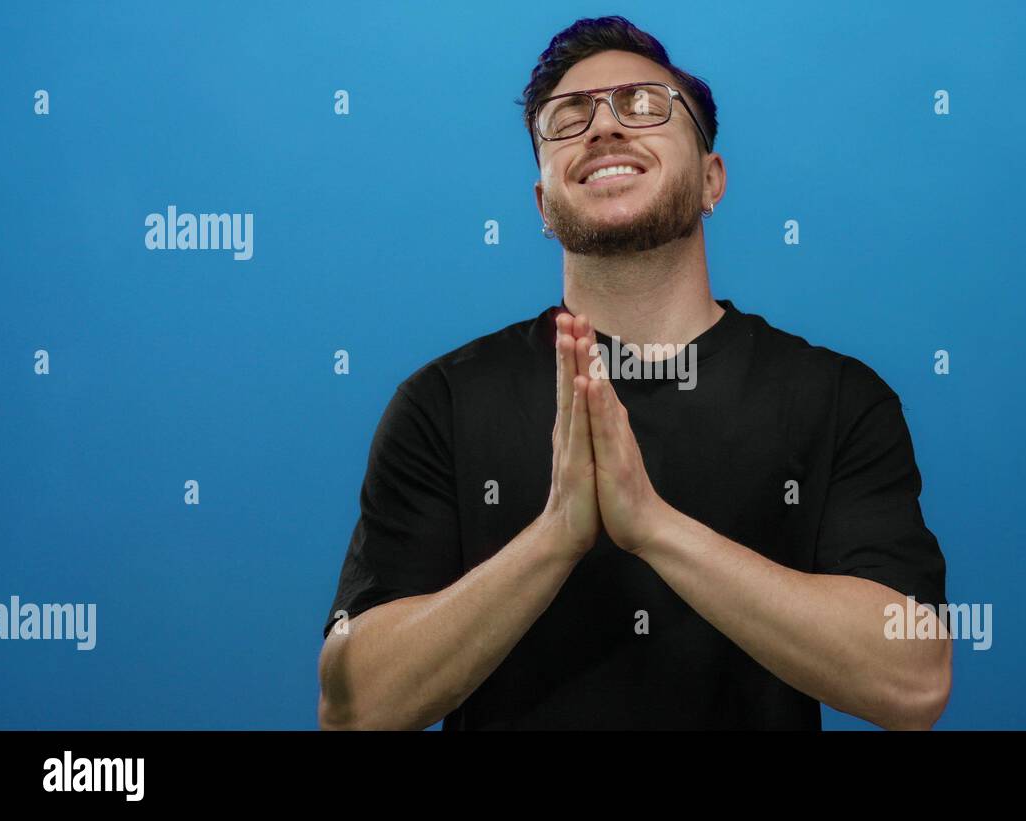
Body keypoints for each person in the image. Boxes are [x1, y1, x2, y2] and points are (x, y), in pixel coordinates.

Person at [317, 15, 950, 730]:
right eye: (569, 117)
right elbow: (353, 704)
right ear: (543, 207)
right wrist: (556, 535)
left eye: (645, 105)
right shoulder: (445, 402)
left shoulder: (836, 398)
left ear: (713, 178)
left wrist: (651, 526)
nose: (604, 128)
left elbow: (913, 676)